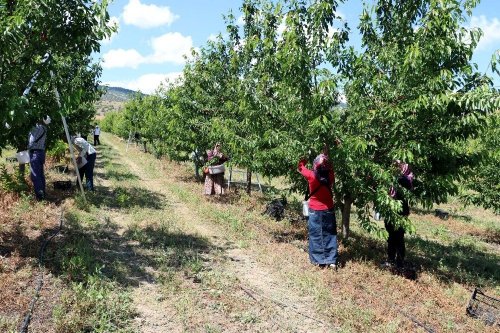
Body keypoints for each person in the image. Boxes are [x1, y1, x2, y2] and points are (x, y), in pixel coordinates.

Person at [298, 152, 338, 269]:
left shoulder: (311, 176)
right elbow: (331, 167)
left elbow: (300, 167)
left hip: (315, 210)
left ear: (315, 165)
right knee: (330, 234)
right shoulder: (330, 176)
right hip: (328, 209)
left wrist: (304, 158)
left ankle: (318, 261)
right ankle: (331, 260)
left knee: (316, 234)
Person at [383, 160, 414, 268]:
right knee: (391, 235)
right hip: (389, 209)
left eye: (400, 164)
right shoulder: (388, 175)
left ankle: (400, 261)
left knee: (399, 236)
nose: (397, 165)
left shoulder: (406, 178)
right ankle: (391, 259)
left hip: (401, 210)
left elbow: (407, 184)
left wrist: (396, 176)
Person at [28, 115, 51, 200]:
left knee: (35, 175)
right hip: (41, 153)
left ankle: (40, 196)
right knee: (40, 174)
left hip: (35, 153)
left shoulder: (38, 127)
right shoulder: (44, 128)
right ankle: (43, 193)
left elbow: (31, 141)